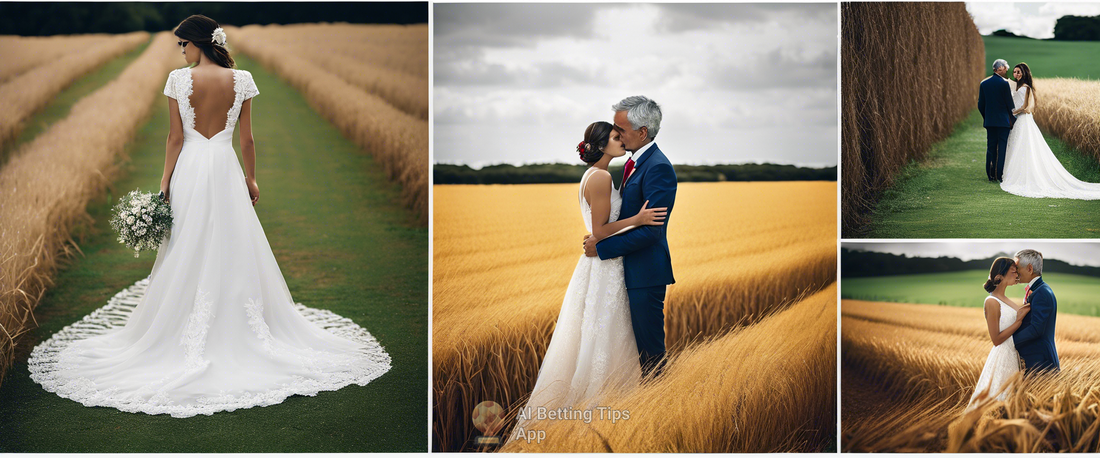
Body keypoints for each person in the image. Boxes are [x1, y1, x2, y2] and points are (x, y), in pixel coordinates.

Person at [27, 14, 391, 418]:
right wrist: (251, 180)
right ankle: (235, 321)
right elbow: (247, 139)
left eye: (184, 43)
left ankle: (182, 326)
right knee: (233, 243)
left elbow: (175, 138)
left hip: (192, 171)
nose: (181, 51)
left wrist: (164, 184)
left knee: (188, 242)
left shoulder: (179, 81)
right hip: (225, 167)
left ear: (199, 42)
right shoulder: (242, 79)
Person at [508, 121, 665, 441]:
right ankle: (601, 412)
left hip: (602, 264)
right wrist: (639, 219)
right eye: (615, 137)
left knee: (601, 335)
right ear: (600, 144)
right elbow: (601, 231)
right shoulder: (602, 177)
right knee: (608, 333)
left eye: (621, 136)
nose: (621, 141)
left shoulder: (594, 175)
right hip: (606, 268)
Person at [966, 257, 1029, 411]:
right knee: (998, 403)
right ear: (1000, 276)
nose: (1017, 275)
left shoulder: (1007, 300)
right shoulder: (991, 301)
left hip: (1014, 356)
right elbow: (996, 339)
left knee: (1012, 404)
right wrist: (1018, 322)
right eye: (1013, 272)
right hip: (1003, 357)